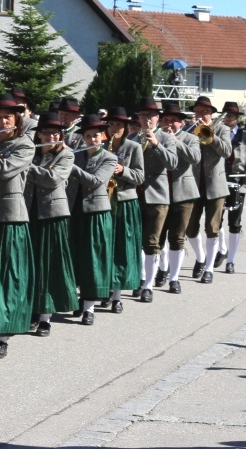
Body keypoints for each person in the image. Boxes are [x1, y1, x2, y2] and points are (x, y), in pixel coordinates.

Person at [0, 93, 35, 358]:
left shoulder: (25, 144)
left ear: (17, 119)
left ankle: (3, 335)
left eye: (7, 117)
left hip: (10, 216)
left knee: (7, 276)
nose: (2, 120)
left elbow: (2, 170)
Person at [26, 111, 76, 335]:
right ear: (39, 135)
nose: (50, 137)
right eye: (46, 133)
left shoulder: (66, 155)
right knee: (31, 263)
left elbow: (53, 179)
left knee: (48, 265)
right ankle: (33, 312)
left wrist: (24, 164)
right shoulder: (31, 153)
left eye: (55, 133)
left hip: (52, 214)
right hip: (29, 212)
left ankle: (46, 317)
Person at [67, 115, 118, 326]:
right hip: (74, 211)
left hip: (96, 213)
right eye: (88, 136)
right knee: (75, 257)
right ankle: (79, 298)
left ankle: (90, 307)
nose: (92, 140)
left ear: (103, 136)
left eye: (95, 135)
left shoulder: (109, 158)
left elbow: (96, 182)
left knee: (93, 260)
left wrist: (69, 165)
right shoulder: (76, 156)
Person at [131, 97, 177, 303]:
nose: (146, 118)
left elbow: (173, 163)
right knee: (135, 241)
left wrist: (156, 144)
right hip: (134, 194)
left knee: (152, 242)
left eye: (150, 115)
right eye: (142, 115)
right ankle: (139, 278)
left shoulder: (166, 137)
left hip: (157, 196)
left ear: (157, 118)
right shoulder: (132, 138)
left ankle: (148, 285)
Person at [184, 97, 231, 285]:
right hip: (193, 185)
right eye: (198, 111)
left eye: (204, 112)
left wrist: (211, 136)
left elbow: (227, 152)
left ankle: (209, 268)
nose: (201, 115)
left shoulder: (222, 129)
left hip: (216, 186)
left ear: (211, 114)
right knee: (190, 228)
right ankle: (201, 257)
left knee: (213, 228)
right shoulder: (189, 130)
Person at [102, 107, 144, 312]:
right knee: (105, 247)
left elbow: (140, 176)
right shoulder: (101, 146)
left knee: (121, 249)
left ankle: (118, 295)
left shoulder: (134, 147)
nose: (114, 128)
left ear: (126, 127)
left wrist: (122, 170)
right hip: (103, 202)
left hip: (125, 201)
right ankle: (104, 289)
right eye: (111, 124)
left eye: (119, 125)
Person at [157, 101, 200, 295]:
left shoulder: (190, 138)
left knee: (177, 237)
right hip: (160, 192)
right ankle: (161, 269)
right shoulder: (156, 137)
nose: (169, 123)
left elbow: (195, 158)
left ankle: (174, 278)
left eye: (173, 120)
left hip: (183, 193)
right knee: (158, 237)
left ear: (181, 123)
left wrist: (176, 142)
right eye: (166, 119)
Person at [216, 102, 246, 274]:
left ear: (237, 118)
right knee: (215, 222)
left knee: (234, 223)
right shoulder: (216, 133)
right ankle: (222, 248)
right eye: (226, 115)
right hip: (218, 182)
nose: (228, 119)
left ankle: (231, 260)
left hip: (238, 183)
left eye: (231, 116)